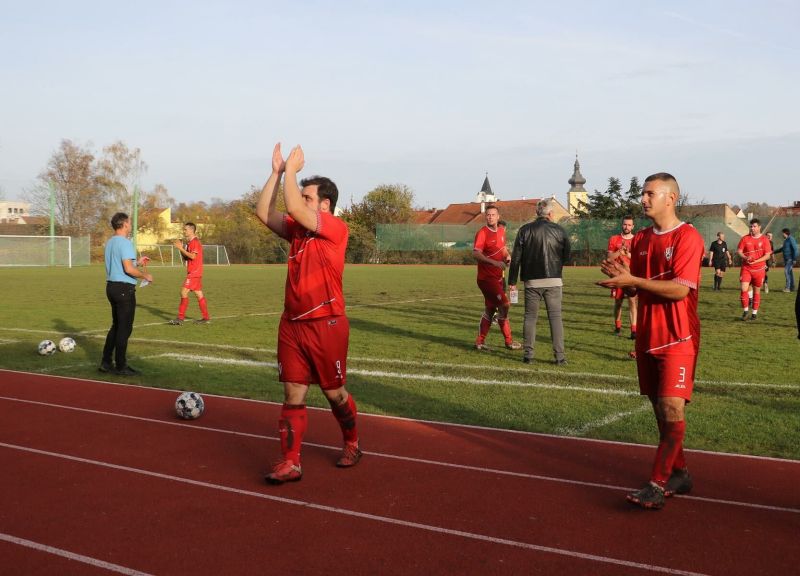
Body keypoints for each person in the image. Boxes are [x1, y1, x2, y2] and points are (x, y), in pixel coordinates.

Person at [597, 173, 704, 509]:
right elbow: (635, 288)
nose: (643, 199)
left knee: (672, 405)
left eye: (650, 193)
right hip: (648, 335)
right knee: (661, 410)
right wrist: (623, 282)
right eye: (643, 194)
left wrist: (634, 280)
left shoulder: (688, 237)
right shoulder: (641, 239)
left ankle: (656, 485)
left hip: (678, 336)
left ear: (671, 198)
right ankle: (681, 473)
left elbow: (679, 289)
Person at [255, 142, 361, 485]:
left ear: (325, 205)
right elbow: (263, 212)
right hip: (292, 325)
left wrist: (291, 171)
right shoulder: (298, 231)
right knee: (293, 393)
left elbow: (294, 209)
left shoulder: (335, 228)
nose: (301, 201)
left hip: (326, 324)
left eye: (308, 197)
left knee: (334, 394)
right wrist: (275, 173)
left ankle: (352, 442)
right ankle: (291, 462)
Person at [508, 198, 571, 365]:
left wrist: (512, 280)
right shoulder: (560, 230)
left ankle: (528, 355)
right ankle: (560, 357)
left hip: (532, 281)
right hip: (554, 280)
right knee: (555, 318)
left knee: (530, 317)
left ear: (537, 213)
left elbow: (516, 258)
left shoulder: (524, 230)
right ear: (550, 213)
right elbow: (566, 256)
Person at [100, 212, 153, 376]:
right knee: (124, 328)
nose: (131, 225)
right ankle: (121, 365)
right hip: (124, 289)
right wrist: (145, 275)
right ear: (123, 225)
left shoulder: (110, 242)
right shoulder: (125, 243)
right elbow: (127, 269)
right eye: (129, 223)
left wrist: (138, 262)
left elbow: (124, 263)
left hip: (111, 287)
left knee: (116, 326)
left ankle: (106, 362)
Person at [472, 205, 521, 351]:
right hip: (486, 278)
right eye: (488, 215)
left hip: (497, 278)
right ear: (485, 217)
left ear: (498, 217)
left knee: (490, 308)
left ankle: (480, 342)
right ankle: (508, 340)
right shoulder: (482, 233)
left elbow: (503, 248)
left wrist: (507, 256)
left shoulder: (501, 231)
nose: (490, 217)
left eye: (493, 215)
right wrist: (494, 263)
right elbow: (476, 253)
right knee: (505, 305)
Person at [168, 222, 211, 325]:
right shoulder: (190, 243)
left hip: (194, 272)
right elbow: (187, 257)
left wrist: (181, 248)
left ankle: (180, 318)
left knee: (183, 292)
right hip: (195, 271)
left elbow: (193, 256)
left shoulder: (195, 242)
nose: (184, 231)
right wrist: (182, 248)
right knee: (198, 294)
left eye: (185, 229)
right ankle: (206, 317)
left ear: (192, 230)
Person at [607, 215, 638, 338]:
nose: (627, 227)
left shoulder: (637, 240)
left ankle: (634, 331)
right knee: (618, 302)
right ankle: (618, 327)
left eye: (629, 225)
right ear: (622, 224)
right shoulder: (614, 239)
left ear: (633, 226)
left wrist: (628, 254)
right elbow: (609, 258)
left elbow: (638, 259)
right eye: (625, 224)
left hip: (631, 275)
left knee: (632, 302)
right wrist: (619, 251)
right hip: (618, 276)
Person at [736, 219, 772, 321]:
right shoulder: (745, 238)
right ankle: (745, 311)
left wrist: (756, 261)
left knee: (757, 292)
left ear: (759, 227)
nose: (752, 228)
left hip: (759, 270)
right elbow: (739, 251)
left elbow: (767, 255)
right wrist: (745, 257)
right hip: (746, 268)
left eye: (754, 226)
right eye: (751, 226)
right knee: (744, 288)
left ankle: (754, 313)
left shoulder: (765, 240)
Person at [773, 228, 798, 292]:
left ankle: (787, 288)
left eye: (782, 233)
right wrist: (773, 252)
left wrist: (794, 259)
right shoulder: (786, 240)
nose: (782, 234)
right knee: (790, 273)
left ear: (785, 233)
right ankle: (792, 287)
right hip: (787, 260)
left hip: (790, 259)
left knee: (786, 272)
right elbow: (782, 249)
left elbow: (795, 249)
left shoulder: (791, 239)